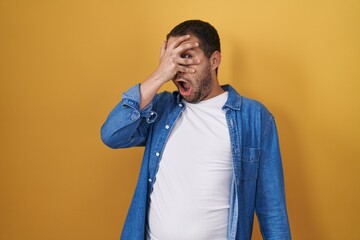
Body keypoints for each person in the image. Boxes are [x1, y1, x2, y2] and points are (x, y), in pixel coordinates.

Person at [101, 20, 291, 240]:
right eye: (171, 60)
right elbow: (111, 135)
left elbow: (272, 210)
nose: (178, 69)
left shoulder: (254, 117)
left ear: (214, 60)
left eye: (187, 57)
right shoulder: (160, 108)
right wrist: (158, 75)